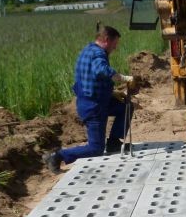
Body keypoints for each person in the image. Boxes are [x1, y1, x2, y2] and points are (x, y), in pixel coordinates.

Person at [42, 25, 135, 173]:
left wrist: (112, 93)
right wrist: (124, 78)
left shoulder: (88, 50)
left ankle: (113, 144)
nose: (115, 48)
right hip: (93, 106)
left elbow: (90, 79)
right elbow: (102, 70)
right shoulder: (98, 54)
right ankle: (57, 156)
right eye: (114, 44)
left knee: (125, 107)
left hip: (98, 100)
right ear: (106, 40)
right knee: (96, 148)